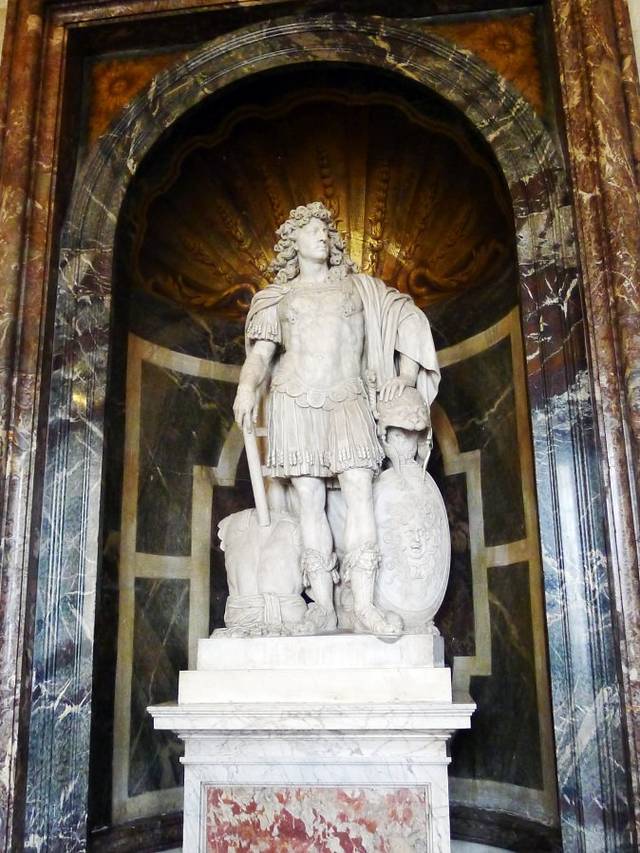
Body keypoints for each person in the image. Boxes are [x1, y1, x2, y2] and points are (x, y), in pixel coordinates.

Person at [233, 202, 440, 633]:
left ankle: (363, 605)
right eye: (311, 230)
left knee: (359, 491)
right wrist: (246, 388)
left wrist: (404, 378)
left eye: (326, 231)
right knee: (309, 501)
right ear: (292, 242)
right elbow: (261, 355)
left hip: (348, 398)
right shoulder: (277, 299)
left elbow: (407, 319)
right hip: (295, 401)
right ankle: (323, 606)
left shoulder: (359, 289)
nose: (321, 236)